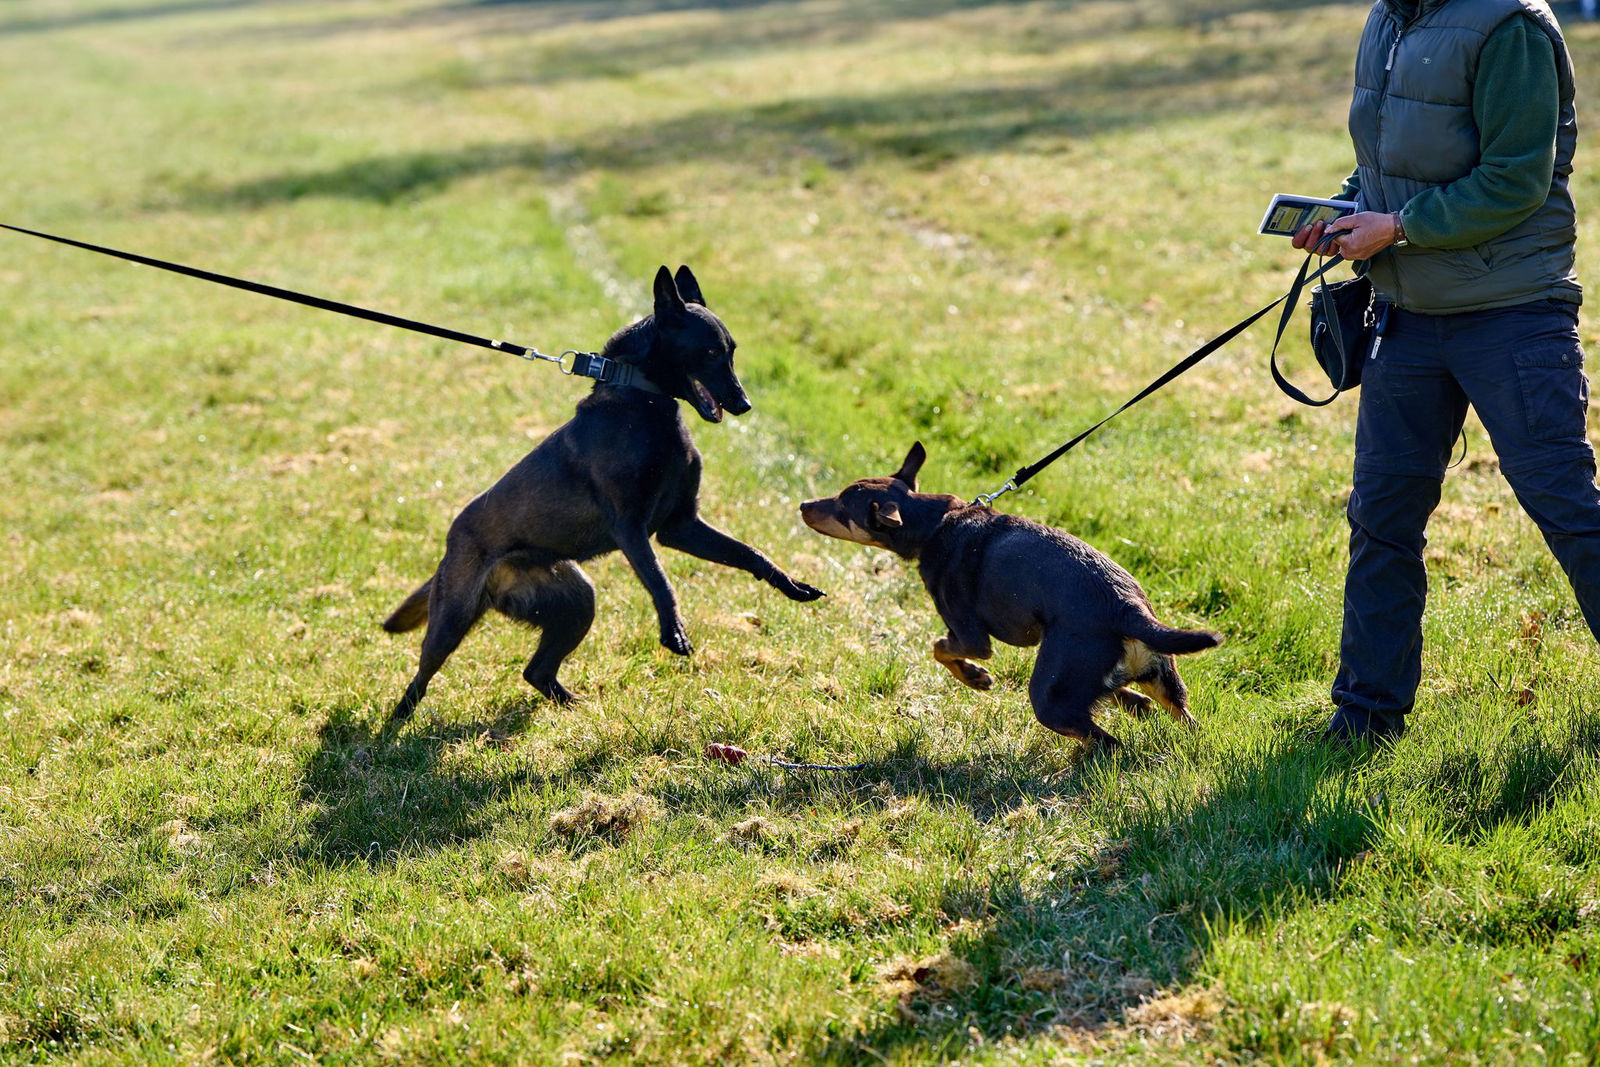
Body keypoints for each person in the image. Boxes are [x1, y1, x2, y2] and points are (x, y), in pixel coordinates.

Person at [1292, 0, 1600, 744]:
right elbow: (1385, 158)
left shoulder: (1510, 27)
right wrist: (1348, 211)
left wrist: (1395, 228)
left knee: (1567, 508)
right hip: (1407, 315)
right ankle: (1364, 718)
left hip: (1513, 313)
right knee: (1381, 517)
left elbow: (1516, 179)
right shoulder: (1388, 19)